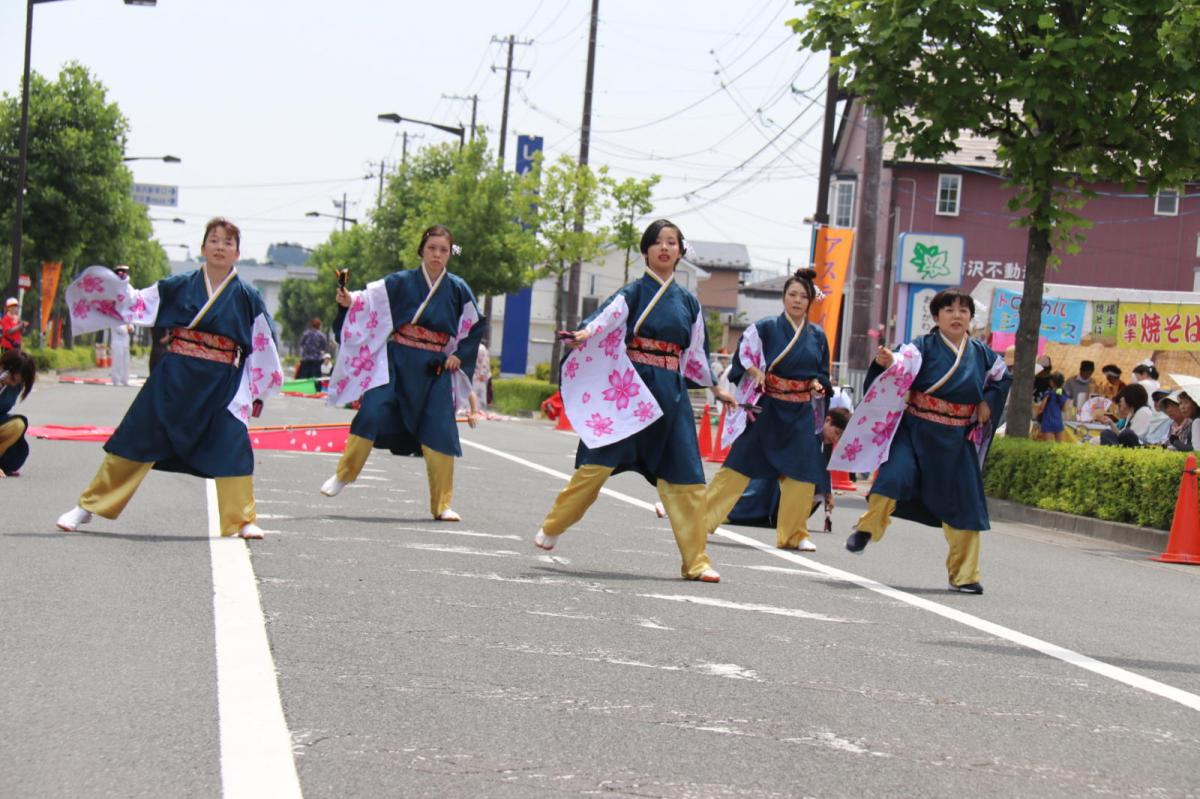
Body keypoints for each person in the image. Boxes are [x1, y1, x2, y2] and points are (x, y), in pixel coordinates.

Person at [533, 219, 736, 582]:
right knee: (595, 467)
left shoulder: (689, 302)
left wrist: (714, 388)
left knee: (686, 477)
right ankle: (554, 524)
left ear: (680, 251)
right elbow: (607, 318)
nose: (665, 248)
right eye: (657, 242)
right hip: (630, 393)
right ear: (646, 250)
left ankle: (696, 561)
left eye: (672, 243)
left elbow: (695, 353)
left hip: (670, 397)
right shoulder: (633, 293)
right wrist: (585, 333)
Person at [56, 217, 284, 539]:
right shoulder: (177, 285)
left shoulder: (248, 296)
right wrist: (112, 288)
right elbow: (137, 303)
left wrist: (256, 390)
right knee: (135, 438)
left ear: (237, 252)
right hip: (173, 379)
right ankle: (88, 506)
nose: (220, 247)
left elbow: (263, 342)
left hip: (221, 384)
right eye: (214, 240)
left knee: (233, 443)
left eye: (228, 242)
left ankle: (242, 519)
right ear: (203, 247)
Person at [836, 288, 1012, 595]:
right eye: (949, 310)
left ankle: (964, 574)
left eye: (963, 311)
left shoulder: (982, 353)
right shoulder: (922, 347)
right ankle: (867, 529)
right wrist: (888, 360)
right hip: (915, 430)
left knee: (967, 505)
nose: (957, 316)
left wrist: (989, 399)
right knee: (891, 479)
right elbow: (904, 362)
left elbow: (1001, 377)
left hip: (957, 439)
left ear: (971, 317)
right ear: (936, 317)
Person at [319, 224, 487, 523]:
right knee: (372, 410)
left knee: (441, 431)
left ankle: (442, 504)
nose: (437, 254)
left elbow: (475, 325)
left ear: (450, 254)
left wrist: (459, 356)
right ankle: (344, 475)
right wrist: (350, 301)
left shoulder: (459, 289)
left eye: (443, 250)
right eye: (432, 248)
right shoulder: (400, 282)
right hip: (396, 359)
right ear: (422, 249)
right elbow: (368, 300)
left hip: (434, 367)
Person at [703, 267, 832, 552]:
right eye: (792, 295)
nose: (797, 300)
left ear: (811, 301)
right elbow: (743, 356)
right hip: (768, 408)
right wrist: (754, 371)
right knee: (738, 466)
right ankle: (700, 519)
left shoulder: (818, 337)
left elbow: (823, 373)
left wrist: (817, 385)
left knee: (801, 474)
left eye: (803, 296)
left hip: (799, 411)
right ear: (783, 298)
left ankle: (793, 534)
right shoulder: (766, 327)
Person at [724, 407, 850, 531]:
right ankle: (729, 512)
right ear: (827, 420)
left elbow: (822, 466)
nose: (836, 439)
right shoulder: (810, 427)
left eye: (839, 437)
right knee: (756, 495)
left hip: (786, 468)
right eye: (837, 433)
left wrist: (827, 492)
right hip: (774, 458)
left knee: (816, 489)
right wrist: (825, 490)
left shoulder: (821, 440)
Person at [0, 349, 36, 476]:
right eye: (14, 379)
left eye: (20, 382)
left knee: (18, 425)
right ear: (4, 367)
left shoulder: (16, 386)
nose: (13, 384)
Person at [108, 265, 134, 386]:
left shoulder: (128, 288)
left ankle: (125, 379)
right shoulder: (112, 290)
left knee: (125, 358)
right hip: (117, 329)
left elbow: (131, 308)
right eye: (120, 272)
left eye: (124, 272)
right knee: (117, 358)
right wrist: (124, 328)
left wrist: (130, 325)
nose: (122, 274)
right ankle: (116, 379)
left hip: (126, 329)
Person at [1035, 371, 1068, 442]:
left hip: (1048, 421)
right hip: (1058, 421)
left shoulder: (1048, 393)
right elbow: (1064, 409)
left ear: (1052, 382)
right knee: (1059, 447)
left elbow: (1042, 408)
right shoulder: (1063, 393)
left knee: (1048, 446)